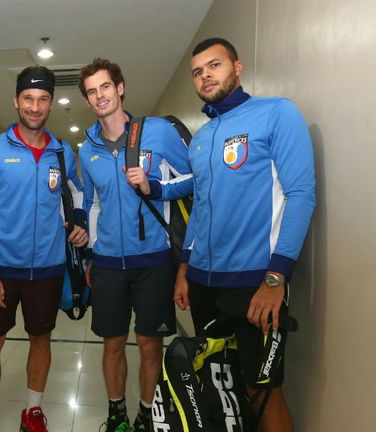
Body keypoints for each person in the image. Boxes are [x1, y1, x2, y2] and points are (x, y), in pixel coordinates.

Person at [174, 37, 316, 432]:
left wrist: (275, 279)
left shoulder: (276, 114)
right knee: (221, 391)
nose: (205, 76)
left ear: (237, 68)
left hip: (255, 285)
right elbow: (200, 208)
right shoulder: (201, 138)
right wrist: (185, 268)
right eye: (198, 72)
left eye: (214, 66)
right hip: (203, 284)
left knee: (263, 391)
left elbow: (301, 195)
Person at [0, 65, 88, 432]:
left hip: (48, 269)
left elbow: (77, 190)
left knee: (41, 339)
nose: (35, 106)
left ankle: (32, 411)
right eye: (28, 98)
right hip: (1, 269)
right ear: (17, 101)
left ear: (50, 103)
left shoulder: (62, 151)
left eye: (43, 99)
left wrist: (80, 219)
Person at [77, 58, 192, 432]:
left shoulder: (155, 132)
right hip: (109, 263)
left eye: (105, 87)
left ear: (120, 87)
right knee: (112, 343)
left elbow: (192, 179)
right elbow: (93, 204)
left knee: (148, 343)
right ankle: (117, 414)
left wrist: (154, 187)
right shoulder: (87, 148)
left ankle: (146, 413)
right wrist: (93, 251)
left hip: (153, 260)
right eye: (92, 92)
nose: (100, 96)